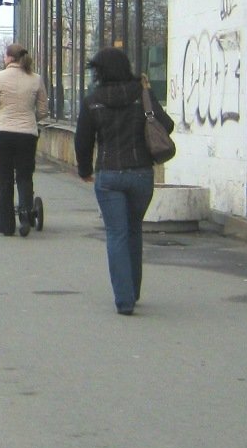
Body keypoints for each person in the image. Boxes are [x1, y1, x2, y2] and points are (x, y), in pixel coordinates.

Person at [74, 47, 174, 315]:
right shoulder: (143, 95)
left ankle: (124, 299)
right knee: (133, 229)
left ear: (99, 71)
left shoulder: (92, 100)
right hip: (141, 173)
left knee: (116, 234)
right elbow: (168, 125)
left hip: (108, 174)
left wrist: (84, 170)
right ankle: (134, 289)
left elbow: (82, 141)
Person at [0, 42, 48, 236]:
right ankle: (26, 215)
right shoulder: (36, 79)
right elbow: (43, 109)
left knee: (5, 177)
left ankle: (7, 225)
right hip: (27, 133)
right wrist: (30, 119)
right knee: (25, 176)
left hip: (4, 131)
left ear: (9, 58)